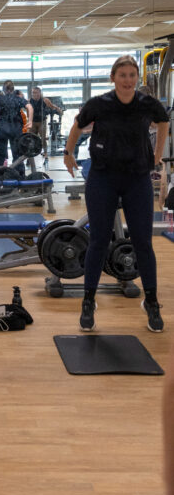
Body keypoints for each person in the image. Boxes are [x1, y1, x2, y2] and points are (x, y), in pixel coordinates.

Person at [64, 54, 169, 334]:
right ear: (113, 78)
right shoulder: (99, 104)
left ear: (137, 79)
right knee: (98, 240)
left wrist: (157, 155)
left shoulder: (147, 104)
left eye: (132, 75)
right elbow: (77, 125)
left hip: (137, 180)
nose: (127, 80)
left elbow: (163, 122)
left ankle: (152, 302)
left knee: (143, 243)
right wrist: (68, 152)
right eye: (122, 75)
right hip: (103, 178)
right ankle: (88, 301)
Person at [0, 81, 33, 167]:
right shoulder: (18, 99)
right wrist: (30, 120)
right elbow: (29, 107)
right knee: (17, 155)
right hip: (15, 129)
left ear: (3, 89)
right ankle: (19, 176)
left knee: (0, 156)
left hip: (2, 129)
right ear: (13, 89)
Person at [29, 86, 62, 158]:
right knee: (31, 138)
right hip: (33, 122)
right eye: (33, 93)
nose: (34, 94)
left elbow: (52, 106)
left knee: (43, 138)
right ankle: (30, 154)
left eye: (36, 93)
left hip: (41, 122)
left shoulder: (45, 100)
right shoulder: (29, 101)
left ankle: (45, 152)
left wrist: (58, 110)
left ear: (40, 93)